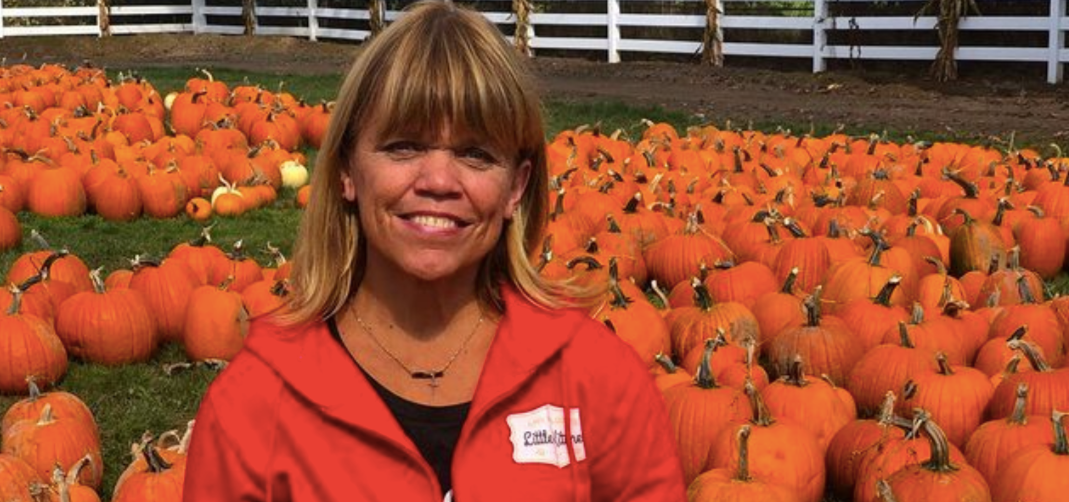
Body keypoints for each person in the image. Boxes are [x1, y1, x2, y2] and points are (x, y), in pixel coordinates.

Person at [181, 1, 686, 500]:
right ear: (347, 170)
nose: (439, 181)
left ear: (516, 186)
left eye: (475, 153)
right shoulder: (254, 403)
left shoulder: (597, 380)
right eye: (404, 146)